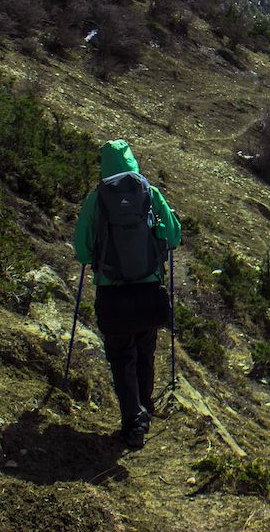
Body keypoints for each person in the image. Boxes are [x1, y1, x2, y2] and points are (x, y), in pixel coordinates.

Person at [74, 139, 182, 448]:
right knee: (145, 351)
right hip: (149, 289)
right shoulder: (150, 193)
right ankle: (145, 409)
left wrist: (94, 258)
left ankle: (133, 420)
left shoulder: (96, 199)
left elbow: (82, 250)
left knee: (122, 357)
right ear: (132, 161)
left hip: (113, 292)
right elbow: (173, 236)